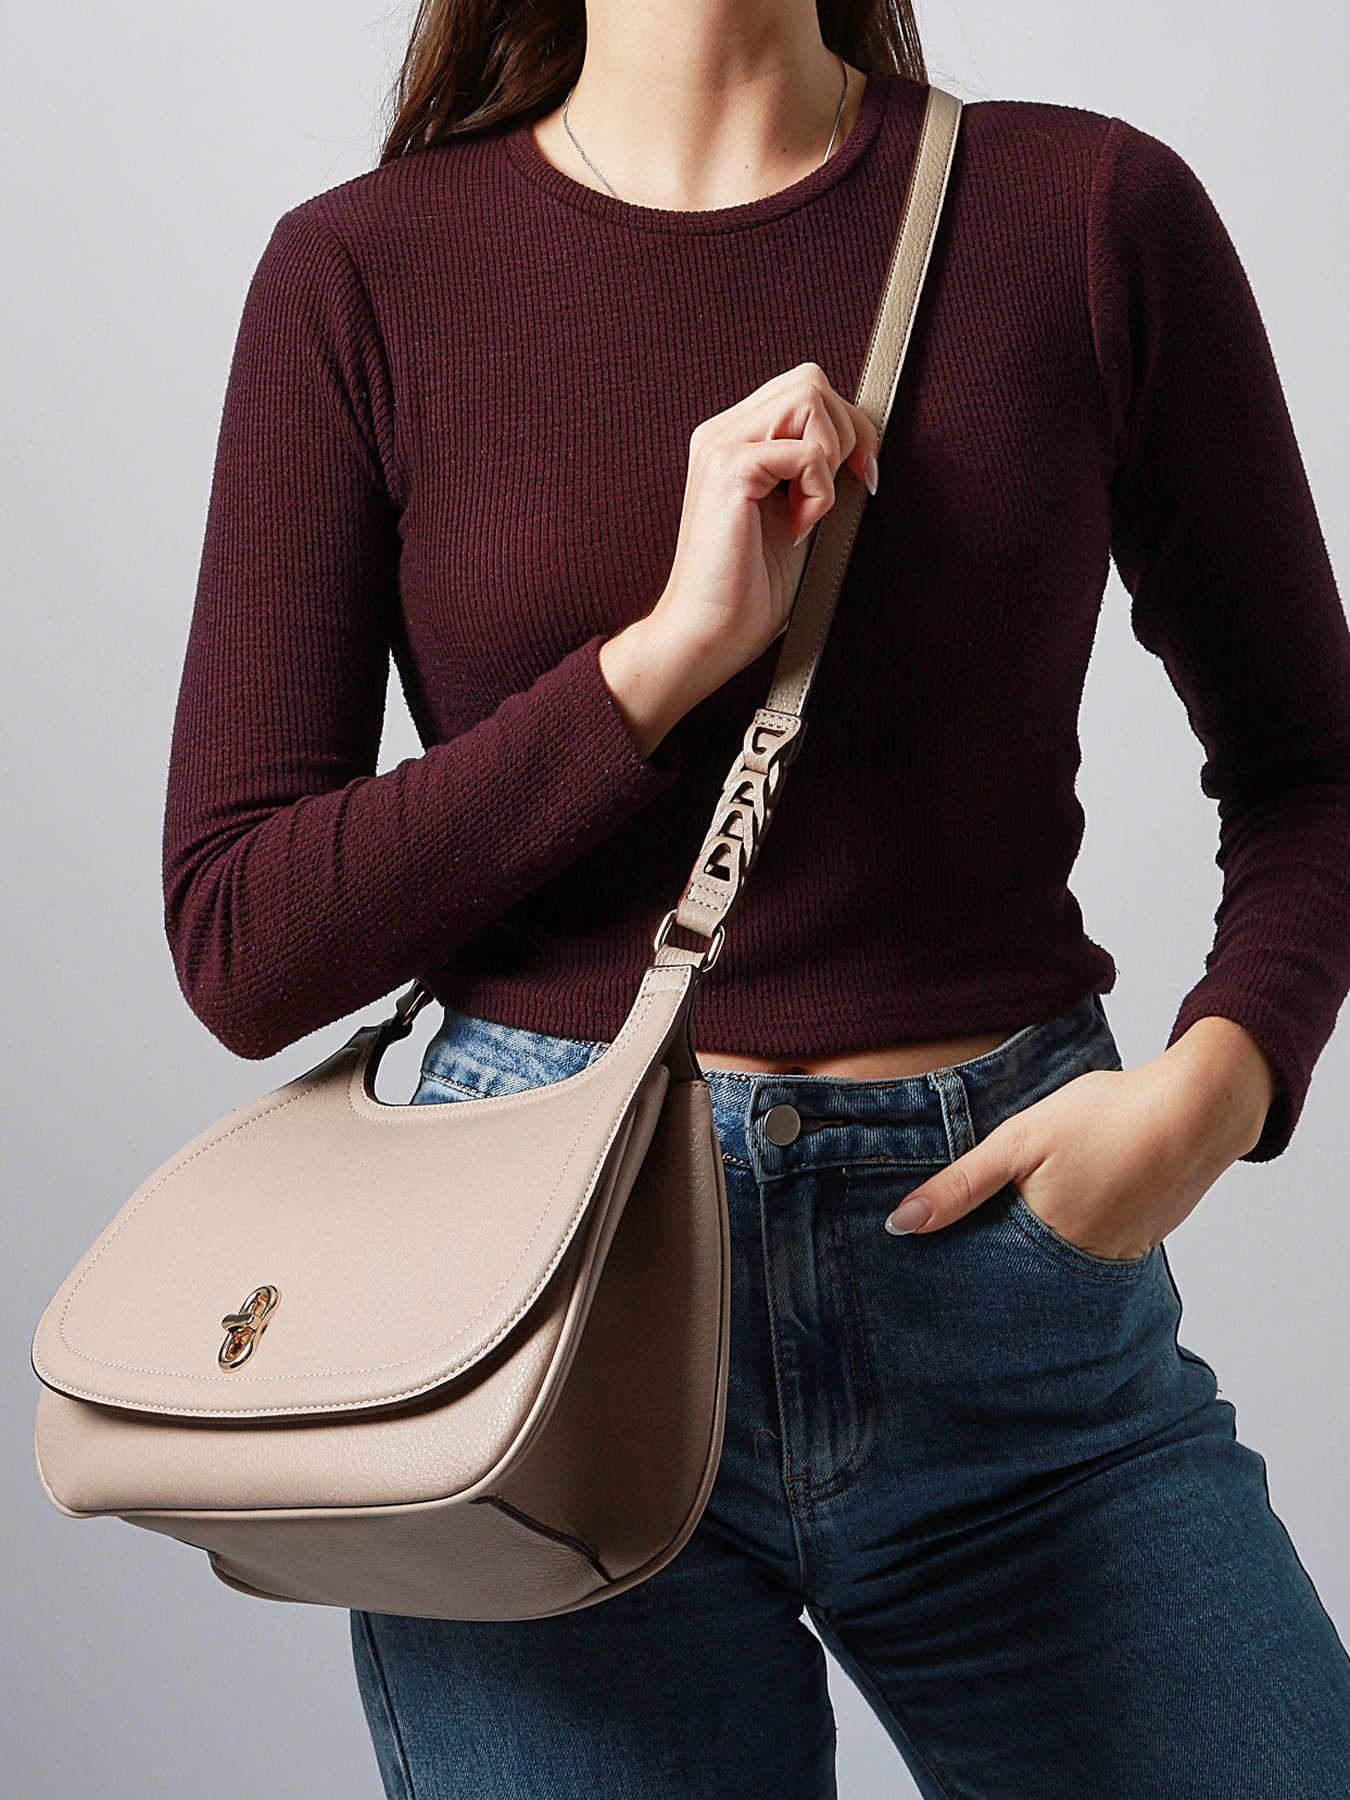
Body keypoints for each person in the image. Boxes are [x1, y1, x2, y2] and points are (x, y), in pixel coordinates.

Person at [161, 0, 1350, 1793]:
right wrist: (663, 658)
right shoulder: (363, 275)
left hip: (1005, 1282)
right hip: (538, 1333)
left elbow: (1312, 759)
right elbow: (242, 933)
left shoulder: (1083, 213)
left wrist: (1218, 1085)